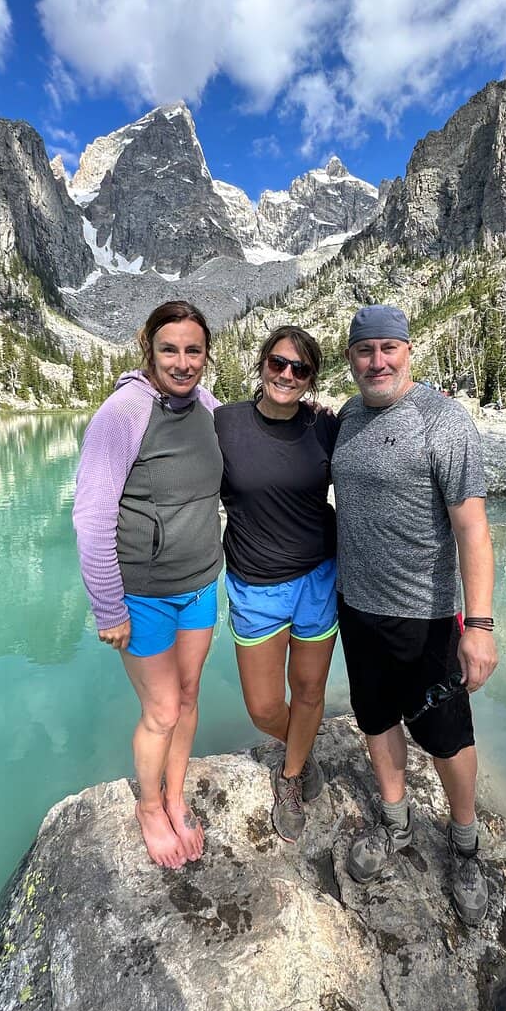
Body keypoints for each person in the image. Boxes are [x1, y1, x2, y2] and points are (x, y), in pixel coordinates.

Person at [331, 304, 498, 924]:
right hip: (357, 606)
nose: (377, 361)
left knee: (448, 736)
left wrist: (478, 625)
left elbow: (473, 528)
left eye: (388, 349)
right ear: (351, 358)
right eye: (364, 350)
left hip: (426, 616)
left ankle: (465, 844)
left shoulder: (444, 422)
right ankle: (397, 823)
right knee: (375, 719)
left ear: (407, 351)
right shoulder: (347, 416)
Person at [73, 300, 223, 870]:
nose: (183, 363)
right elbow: (90, 517)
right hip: (142, 593)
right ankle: (149, 806)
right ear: (149, 349)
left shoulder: (207, 407)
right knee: (160, 708)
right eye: (170, 350)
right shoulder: (124, 411)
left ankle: (177, 794)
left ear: (206, 354)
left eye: (193, 350)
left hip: (201, 584)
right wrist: (108, 607)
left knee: (188, 697)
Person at [214, 326, 340, 842]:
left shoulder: (325, 426)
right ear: (262, 363)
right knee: (265, 706)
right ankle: (300, 749)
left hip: (319, 578)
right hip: (255, 585)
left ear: (311, 379)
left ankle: (291, 775)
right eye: (279, 363)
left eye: (301, 368)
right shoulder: (224, 424)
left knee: (309, 691)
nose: (287, 374)